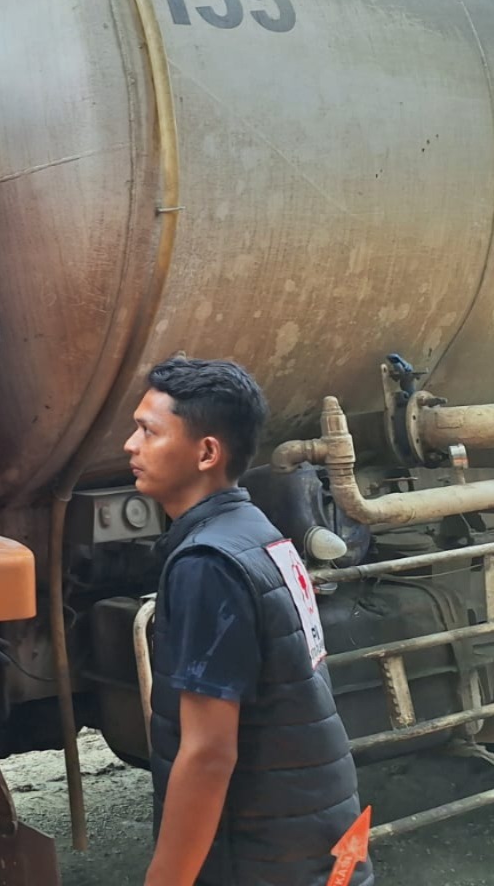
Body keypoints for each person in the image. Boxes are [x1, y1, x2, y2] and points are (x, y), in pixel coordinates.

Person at [130, 357, 372, 886]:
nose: (131, 445)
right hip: (312, 834)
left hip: (268, 857)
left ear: (206, 452)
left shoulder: (207, 563)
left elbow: (209, 752)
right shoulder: (253, 527)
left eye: (148, 430)